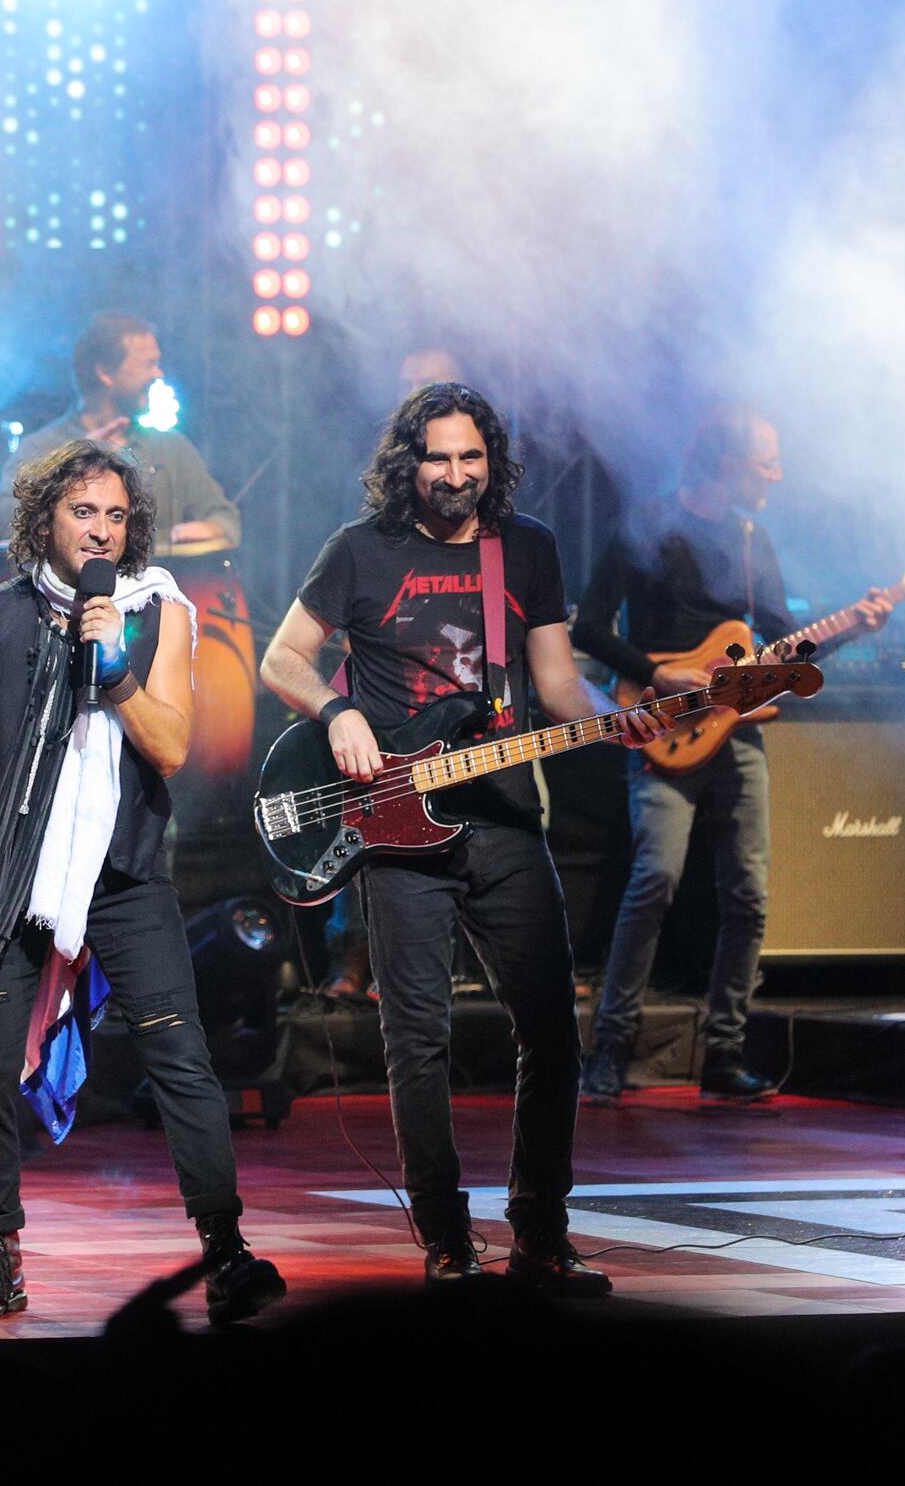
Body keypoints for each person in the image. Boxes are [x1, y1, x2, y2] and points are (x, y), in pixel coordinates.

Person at [0, 439, 286, 1326]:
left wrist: (114, 668)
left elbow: (172, 747)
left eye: (115, 515)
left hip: (125, 873)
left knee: (181, 1057)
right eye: (83, 512)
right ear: (44, 519)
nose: (100, 530)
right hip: (14, 873)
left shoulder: (158, 613)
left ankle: (226, 1252)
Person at [258, 382, 659, 1292]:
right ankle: (445, 1238)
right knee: (417, 1040)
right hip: (398, 824)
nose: (455, 474)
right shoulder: (359, 550)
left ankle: (541, 1234)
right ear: (409, 463)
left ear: (492, 462)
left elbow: (556, 685)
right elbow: (281, 657)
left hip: (506, 817)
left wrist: (616, 719)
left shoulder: (527, 548)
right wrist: (337, 713)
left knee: (551, 1033)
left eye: (470, 457)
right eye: (438, 458)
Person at [572, 405, 891, 1105]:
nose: (777, 475)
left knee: (747, 893)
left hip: (736, 732)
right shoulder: (648, 526)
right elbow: (588, 627)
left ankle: (724, 1052)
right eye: (766, 462)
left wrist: (854, 627)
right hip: (663, 728)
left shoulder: (752, 540)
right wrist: (656, 673)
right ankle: (609, 1050)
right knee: (655, 880)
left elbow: (786, 643)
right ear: (727, 463)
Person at [0, 311, 240, 558]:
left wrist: (212, 528)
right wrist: (77, 464)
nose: (158, 374)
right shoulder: (41, 449)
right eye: (148, 364)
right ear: (104, 373)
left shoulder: (171, 448)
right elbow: (4, 519)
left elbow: (225, 517)